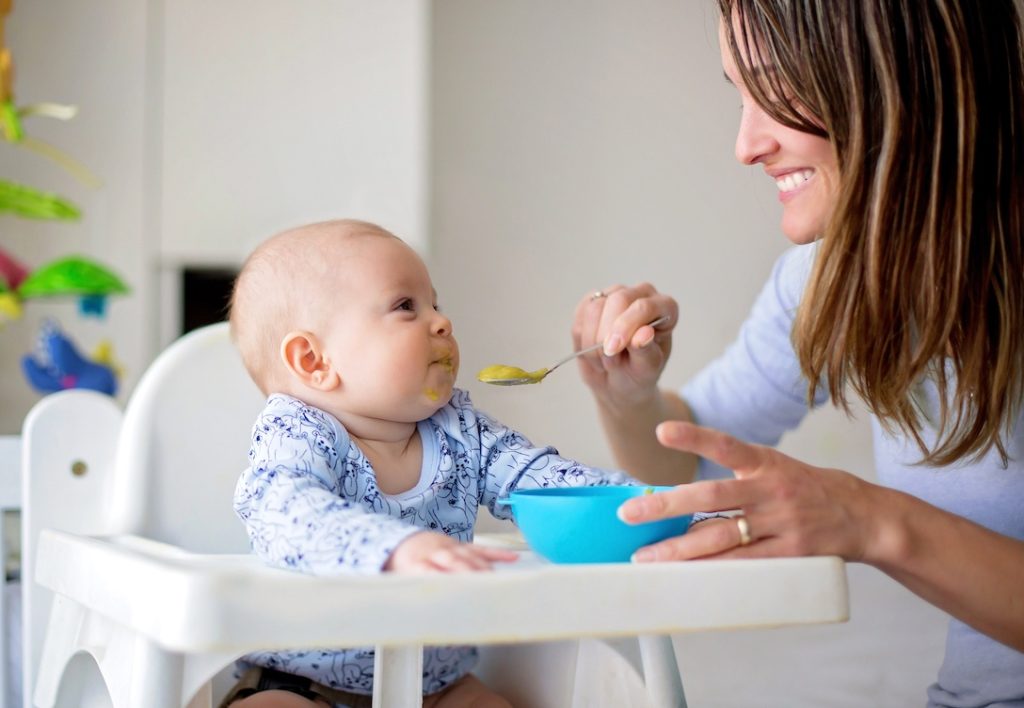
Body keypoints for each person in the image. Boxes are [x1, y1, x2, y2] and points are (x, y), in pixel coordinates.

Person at [570, 1, 1024, 705]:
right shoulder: (828, 280)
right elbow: (691, 459)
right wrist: (627, 395)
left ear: (901, 72)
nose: (746, 145)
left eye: (778, 86)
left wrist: (870, 520)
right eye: (740, 95)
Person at [225, 218, 676, 708]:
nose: (442, 322)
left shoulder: (461, 432)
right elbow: (283, 510)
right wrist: (394, 549)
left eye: (435, 304)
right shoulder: (297, 433)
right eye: (405, 306)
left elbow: (548, 480)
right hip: (299, 680)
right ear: (314, 361)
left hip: (434, 684)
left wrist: (662, 507)